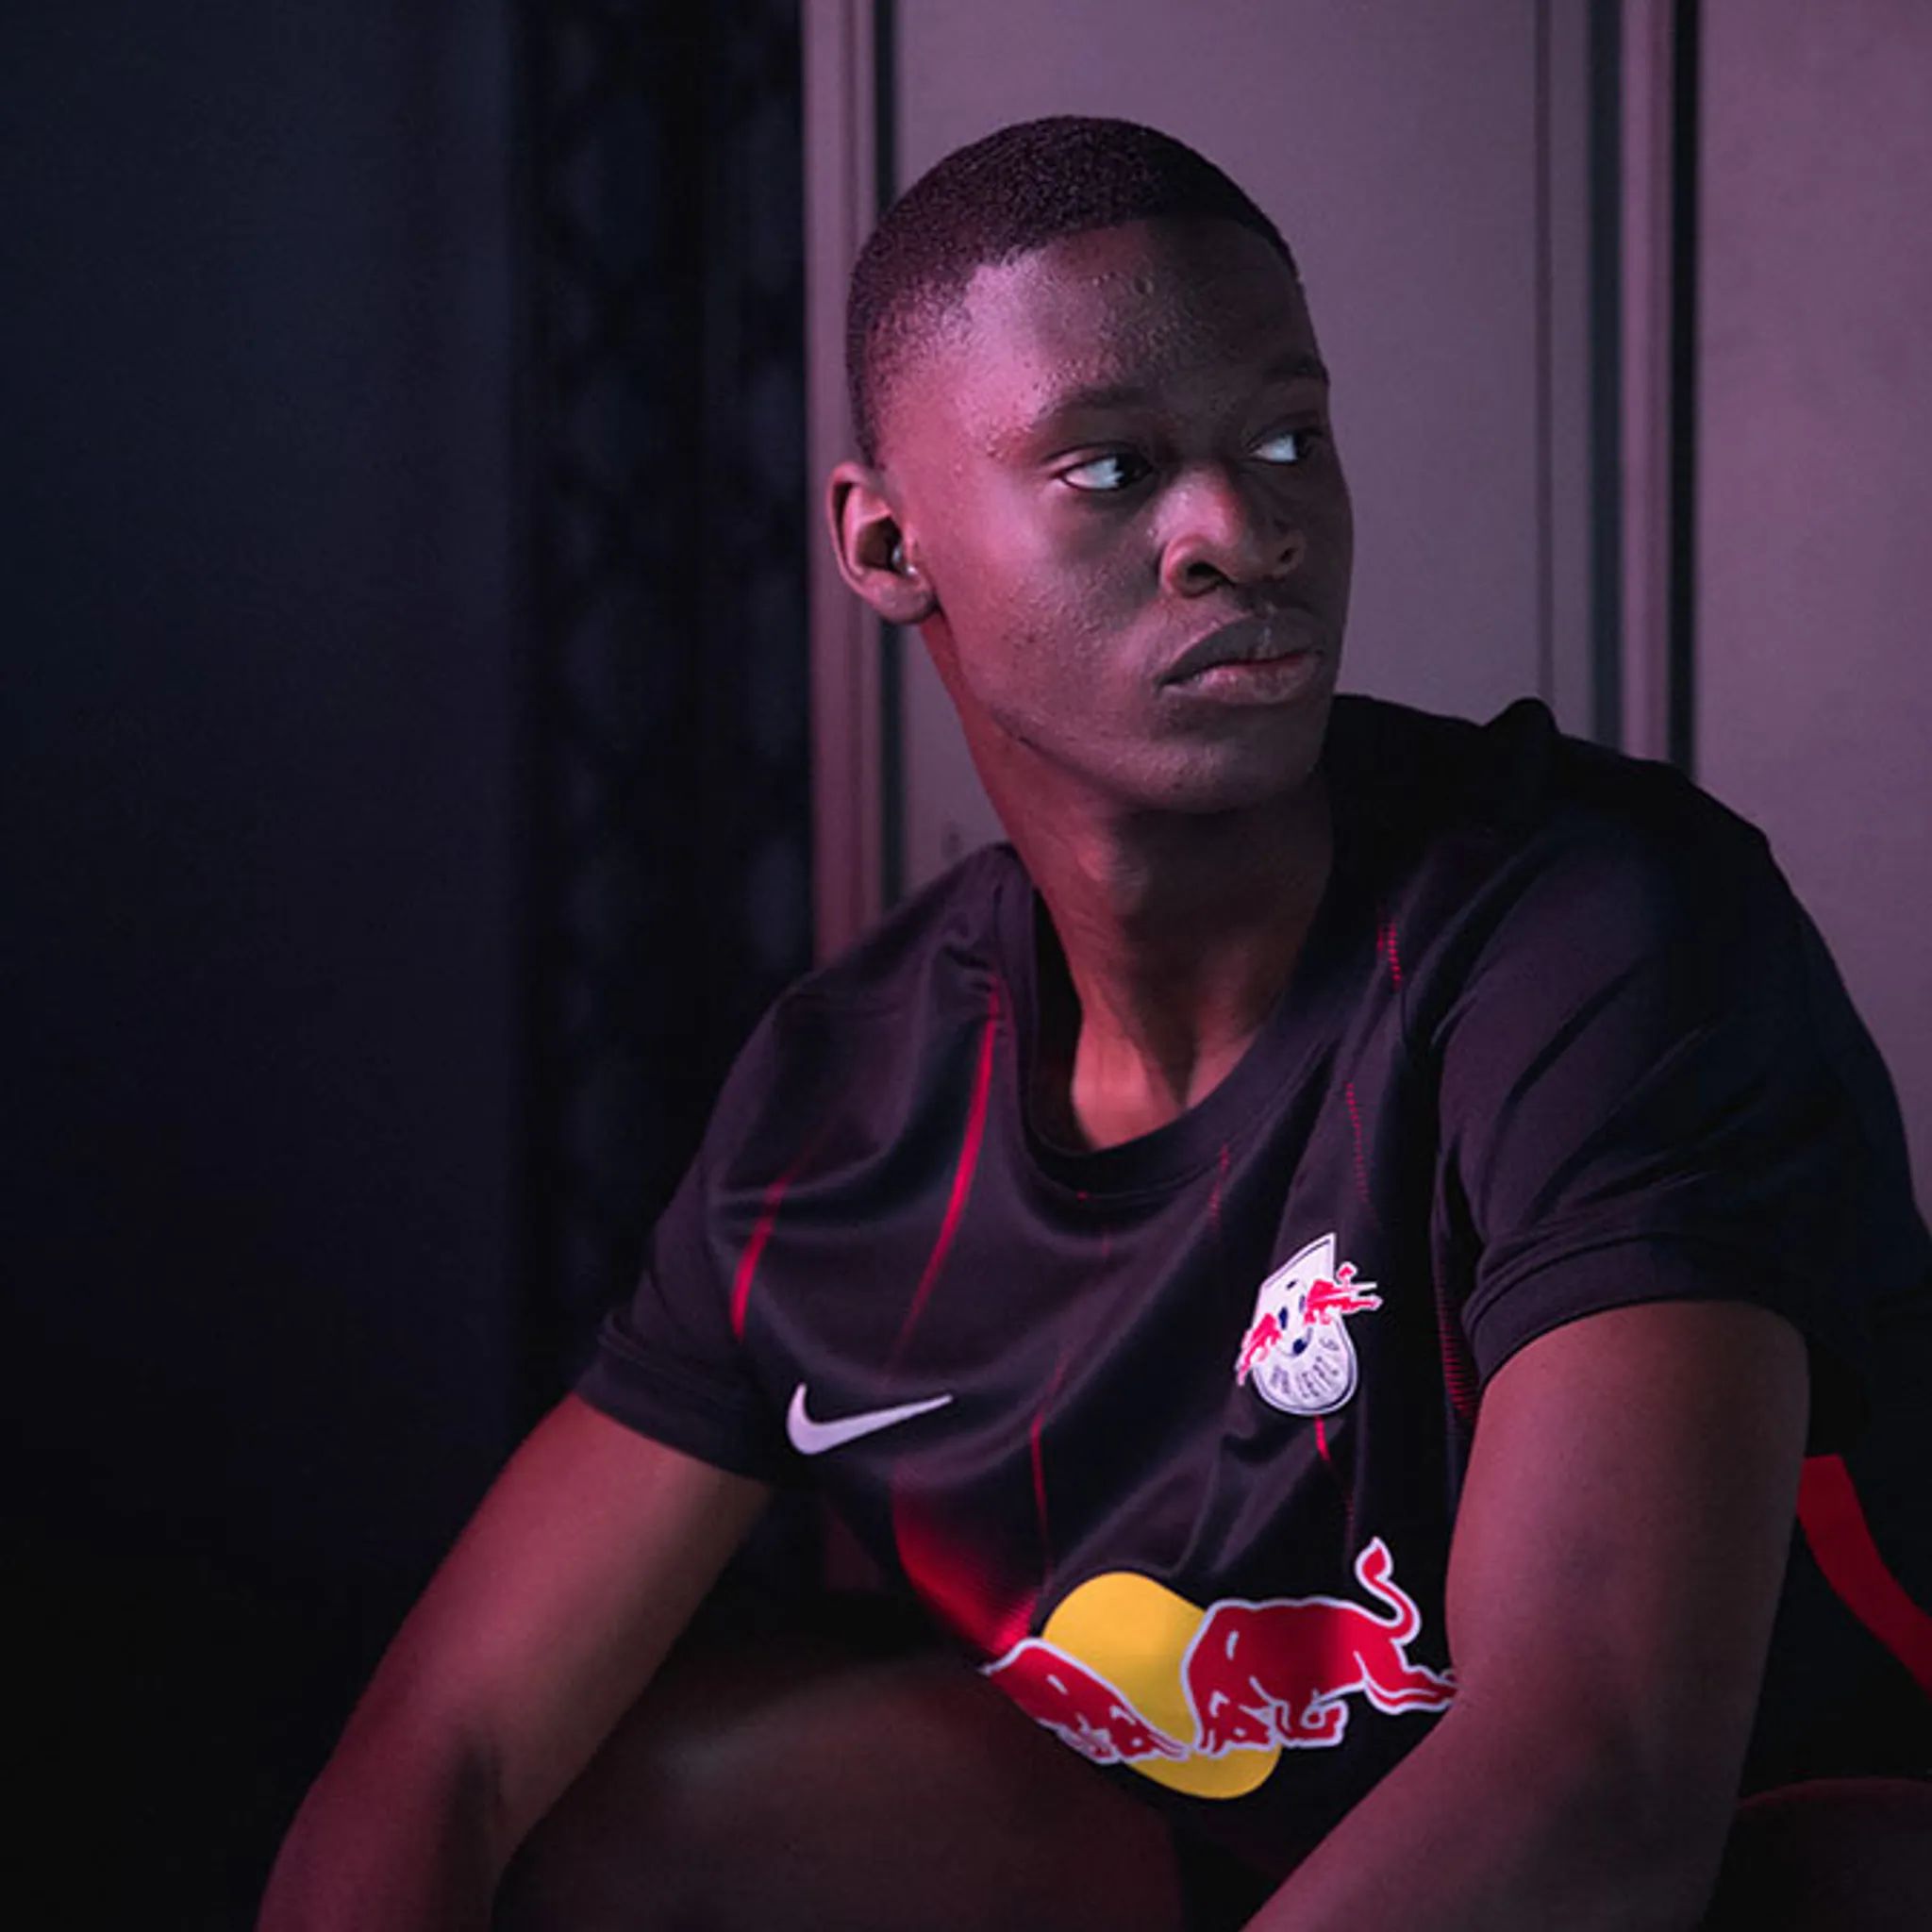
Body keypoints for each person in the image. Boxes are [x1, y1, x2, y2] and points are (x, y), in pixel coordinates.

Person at [259, 116, 1932, 1932]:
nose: (1244, 532)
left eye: (1286, 442)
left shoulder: (1591, 934)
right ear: (885, 542)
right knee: (615, 1842)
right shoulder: (843, 1108)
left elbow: (1596, 1783)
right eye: (1116, 468)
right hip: (1248, 1860)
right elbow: (448, 1748)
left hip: (1738, 1857)